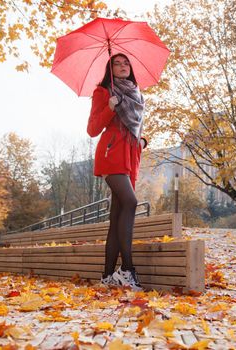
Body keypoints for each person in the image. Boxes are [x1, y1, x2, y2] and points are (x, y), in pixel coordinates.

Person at [87, 53, 147, 291]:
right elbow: (92, 129)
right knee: (131, 202)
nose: (122, 66)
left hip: (130, 157)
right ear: (110, 69)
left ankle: (107, 275)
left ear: (131, 67)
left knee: (116, 218)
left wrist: (143, 140)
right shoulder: (103, 92)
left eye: (126, 63)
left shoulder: (136, 94)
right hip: (110, 154)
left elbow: (136, 126)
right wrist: (110, 108)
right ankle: (128, 270)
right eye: (117, 63)